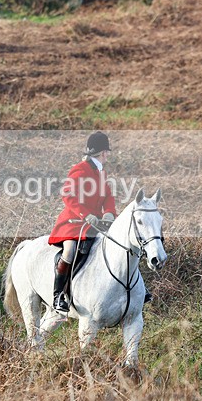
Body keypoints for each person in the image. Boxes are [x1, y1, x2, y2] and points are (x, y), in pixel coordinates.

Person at [48, 131, 117, 313]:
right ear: (102, 153)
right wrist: (86, 214)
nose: (108, 156)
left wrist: (109, 212)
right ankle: (58, 296)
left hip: (94, 225)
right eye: (107, 153)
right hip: (74, 223)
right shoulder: (80, 169)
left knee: (119, 245)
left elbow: (108, 195)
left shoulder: (101, 171)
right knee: (70, 252)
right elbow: (68, 195)